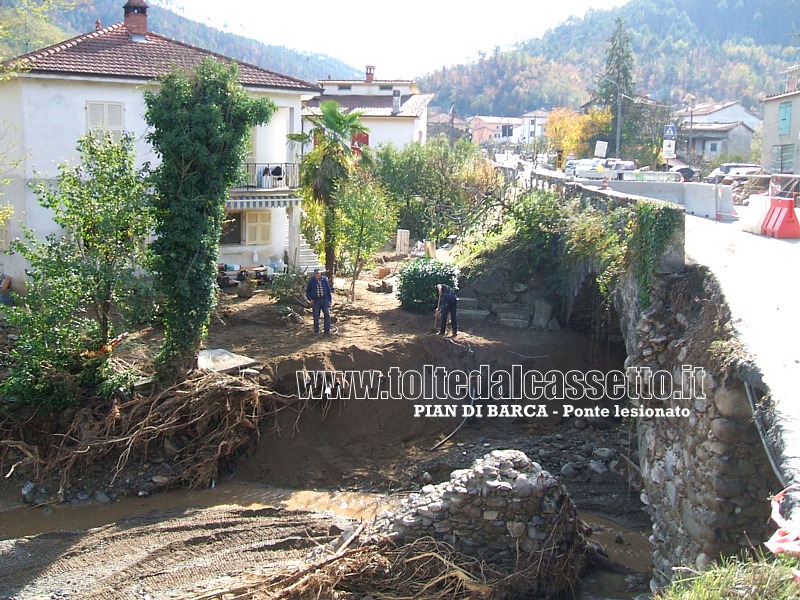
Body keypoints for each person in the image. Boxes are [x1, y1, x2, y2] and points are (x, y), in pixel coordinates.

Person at [306, 268, 333, 335]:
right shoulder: (311, 281)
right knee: (316, 316)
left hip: (324, 300)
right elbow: (307, 291)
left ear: (320, 273)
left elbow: (328, 290)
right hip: (316, 300)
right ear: (314, 274)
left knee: (327, 314)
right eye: (315, 274)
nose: (317, 275)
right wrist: (310, 299)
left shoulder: (324, 280)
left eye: (318, 273)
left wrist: (330, 300)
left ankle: (327, 331)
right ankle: (316, 331)